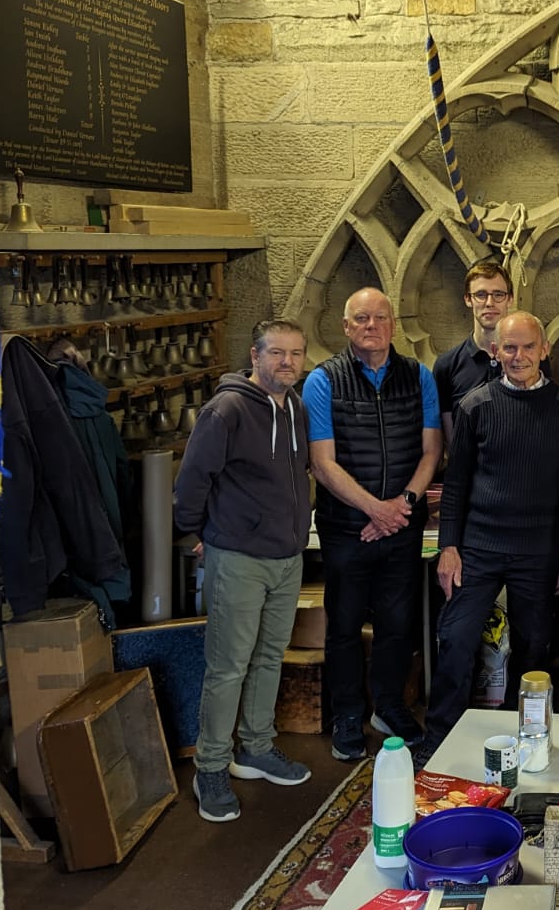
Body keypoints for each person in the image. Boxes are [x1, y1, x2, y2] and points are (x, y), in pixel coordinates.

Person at [420, 312, 559, 756]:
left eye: (527, 347)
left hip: (539, 549)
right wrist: (449, 547)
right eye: (509, 348)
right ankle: (440, 739)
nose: (518, 356)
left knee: (535, 646)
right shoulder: (475, 405)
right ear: (495, 352)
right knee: (456, 637)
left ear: (544, 349)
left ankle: (525, 737)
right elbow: (455, 484)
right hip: (478, 545)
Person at [173, 320, 313, 821]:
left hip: (286, 555)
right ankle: (211, 766)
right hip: (238, 555)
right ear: (254, 356)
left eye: (296, 354)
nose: (288, 363)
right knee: (229, 664)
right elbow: (193, 478)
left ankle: (255, 746)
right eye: (277, 353)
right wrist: (192, 534)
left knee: (269, 657)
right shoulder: (226, 410)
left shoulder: (294, 406)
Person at [304, 288, 443, 761]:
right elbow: (322, 463)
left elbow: (431, 451)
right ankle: (348, 713)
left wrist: (400, 505)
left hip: (402, 525)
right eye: (361, 317)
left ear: (393, 324)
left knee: (397, 623)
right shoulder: (323, 381)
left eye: (380, 317)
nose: (372, 325)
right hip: (347, 528)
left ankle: (388, 706)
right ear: (345, 327)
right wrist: (373, 509)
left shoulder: (419, 376)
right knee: (343, 625)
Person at [432, 260, 549, 443]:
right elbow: (450, 439)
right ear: (468, 299)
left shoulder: (531, 359)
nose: (489, 303)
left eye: (498, 295)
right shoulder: (447, 365)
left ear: (510, 299)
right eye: (480, 294)